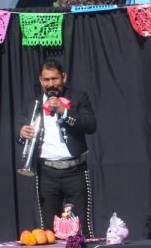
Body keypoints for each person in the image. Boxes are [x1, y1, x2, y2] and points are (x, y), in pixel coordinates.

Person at [18, 59, 97, 235]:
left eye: (55, 79)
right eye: (46, 80)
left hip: (75, 170)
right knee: (48, 229)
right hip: (46, 172)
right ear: (40, 80)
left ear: (64, 77)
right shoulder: (34, 105)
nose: (51, 84)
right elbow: (23, 139)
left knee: (81, 226)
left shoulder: (78, 98)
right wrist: (22, 134)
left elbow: (91, 125)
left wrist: (65, 111)